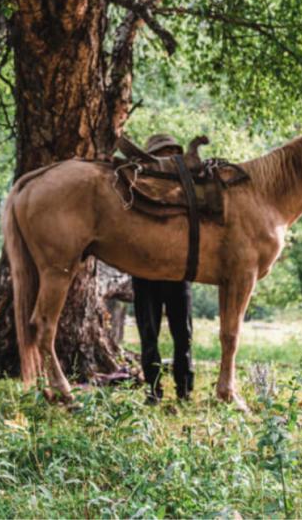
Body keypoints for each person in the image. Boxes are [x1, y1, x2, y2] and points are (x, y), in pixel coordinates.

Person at [132, 134, 195, 404]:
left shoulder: (186, 187)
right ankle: (154, 390)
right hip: (145, 272)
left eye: (173, 151)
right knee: (149, 334)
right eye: (163, 152)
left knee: (184, 334)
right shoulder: (136, 185)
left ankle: (184, 390)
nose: (169, 156)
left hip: (177, 271)